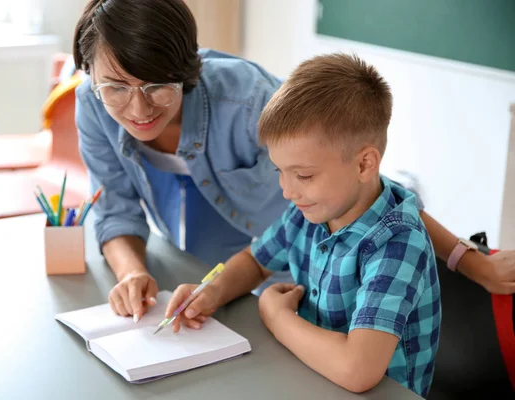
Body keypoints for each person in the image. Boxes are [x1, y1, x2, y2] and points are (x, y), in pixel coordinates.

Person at [72, 0, 515, 324]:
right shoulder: (92, 103)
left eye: (155, 86)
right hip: (255, 271)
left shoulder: (249, 102)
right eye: (114, 87)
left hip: (310, 285)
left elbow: (379, 197)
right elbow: (116, 207)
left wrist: (473, 263)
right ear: (91, 76)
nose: (137, 109)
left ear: (184, 70)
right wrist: (134, 273)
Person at [165, 53, 441, 397]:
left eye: (304, 175)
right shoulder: (310, 210)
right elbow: (255, 261)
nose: (286, 189)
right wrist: (212, 291)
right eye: (280, 171)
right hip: (309, 376)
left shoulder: (397, 242)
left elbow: (358, 370)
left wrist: (277, 317)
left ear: (364, 164)